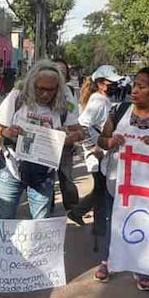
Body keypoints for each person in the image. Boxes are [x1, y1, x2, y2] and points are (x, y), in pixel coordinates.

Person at [96, 67, 149, 291]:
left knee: (146, 222)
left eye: (141, 86)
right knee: (112, 220)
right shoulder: (119, 110)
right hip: (118, 180)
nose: (134, 90)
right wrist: (110, 142)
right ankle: (107, 262)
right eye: (134, 85)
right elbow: (102, 140)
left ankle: (142, 268)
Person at [0, 60, 84, 220]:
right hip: (11, 168)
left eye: (51, 90)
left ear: (58, 89)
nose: (45, 94)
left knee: (40, 226)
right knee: (3, 223)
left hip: (44, 173)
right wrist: (7, 131)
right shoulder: (17, 97)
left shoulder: (64, 104)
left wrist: (67, 138)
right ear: (32, 85)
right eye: (40, 89)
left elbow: (79, 132)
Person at [66, 65, 122, 231]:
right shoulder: (99, 101)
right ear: (100, 84)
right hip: (98, 154)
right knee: (101, 191)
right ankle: (97, 226)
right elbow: (82, 124)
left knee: (101, 190)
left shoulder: (101, 99)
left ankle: (92, 222)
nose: (115, 85)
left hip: (101, 153)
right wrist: (92, 147)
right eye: (111, 82)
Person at [53, 58, 81, 212]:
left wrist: (73, 136)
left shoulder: (69, 92)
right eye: (56, 69)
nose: (60, 74)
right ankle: (47, 206)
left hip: (65, 141)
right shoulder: (40, 90)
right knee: (46, 179)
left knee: (66, 177)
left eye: (63, 71)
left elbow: (74, 115)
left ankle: (74, 209)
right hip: (46, 142)